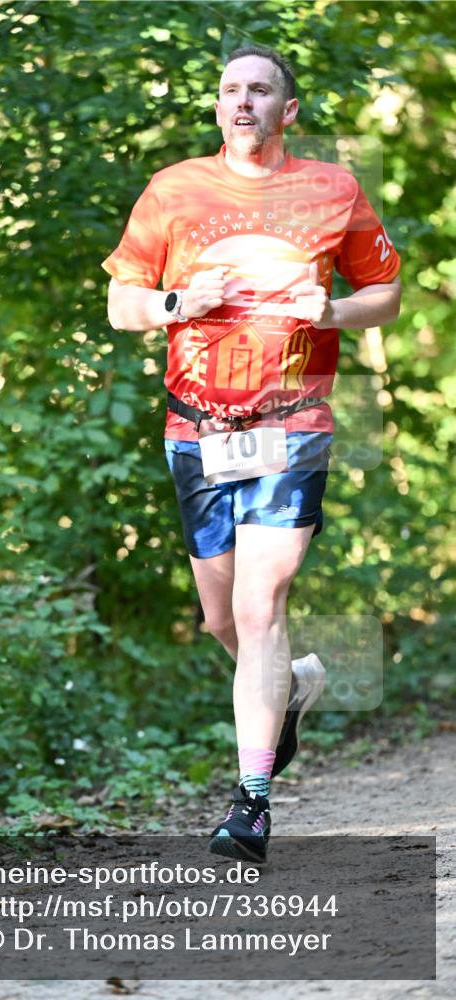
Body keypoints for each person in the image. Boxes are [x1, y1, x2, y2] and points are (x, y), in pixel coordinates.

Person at [101, 45, 401, 862]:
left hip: (292, 422)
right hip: (197, 426)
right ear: (217, 106)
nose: (243, 102)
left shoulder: (332, 189)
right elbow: (119, 301)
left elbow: (385, 293)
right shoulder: (174, 189)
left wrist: (329, 311)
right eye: (231, 90)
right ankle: (292, 686)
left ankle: (251, 804)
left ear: (287, 110)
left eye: (260, 90)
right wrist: (174, 301)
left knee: (258, 606)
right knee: (219, 617)